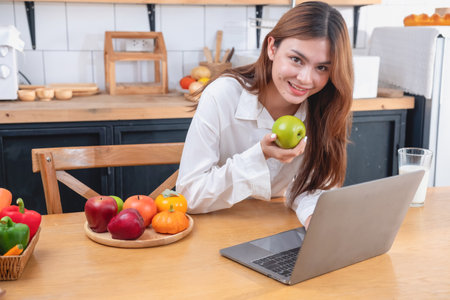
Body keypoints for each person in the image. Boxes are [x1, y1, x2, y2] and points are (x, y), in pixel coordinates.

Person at [176, 1, 353, 229]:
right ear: (272, 47)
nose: (306, 79)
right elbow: (189, 195)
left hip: (277, 227)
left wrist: (315, 221)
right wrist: (259, 156)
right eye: (296, 59)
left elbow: (314, 186)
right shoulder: (222, 96)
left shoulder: (327, 106)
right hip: (216, 228)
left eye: (322, 68)